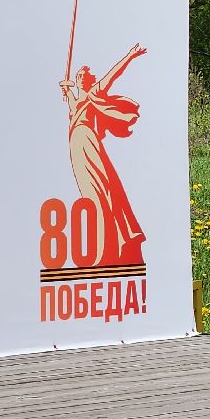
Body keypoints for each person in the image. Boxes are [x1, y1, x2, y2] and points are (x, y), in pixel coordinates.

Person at [59, 44, 148, 267]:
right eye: (78, 75)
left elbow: (113, 73)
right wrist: (65, 88)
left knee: (102, 190)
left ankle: (112, 242)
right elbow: (68, 99)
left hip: (88, 142)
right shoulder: (75, 100)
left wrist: (128, 56)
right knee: (88, 193)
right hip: (76, 145)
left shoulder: (95, 93)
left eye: (83, 75)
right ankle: (101, 244)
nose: (80, 78)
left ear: (88, 80)